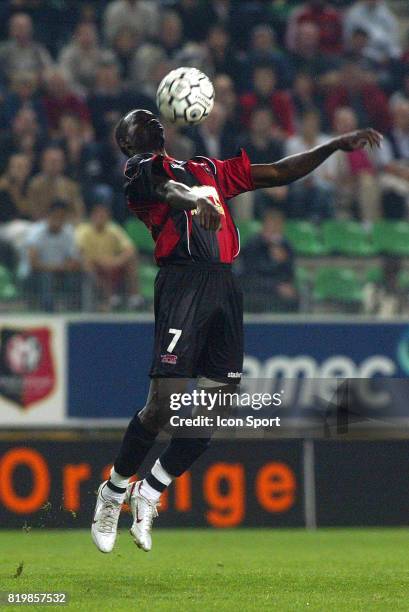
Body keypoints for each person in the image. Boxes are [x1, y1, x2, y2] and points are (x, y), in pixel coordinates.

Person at [91, 108, 381, 554]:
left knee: (218, 400)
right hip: (182, 283)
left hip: (224, 284)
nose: (149, 120)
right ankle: (112, 492)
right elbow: (170, 192)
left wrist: (333, 145)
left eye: (151, 117)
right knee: (164, 405)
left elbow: (279, 171)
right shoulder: (139, 170)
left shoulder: (207, 168)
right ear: (129, 142)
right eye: (137, 121)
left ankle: (150, 490)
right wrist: (199, 203)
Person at [75, 201, 142, 311]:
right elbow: (80, 252)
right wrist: (102, 262)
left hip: (113, 264)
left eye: (104, 215)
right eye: (99, 215)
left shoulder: (113, 228)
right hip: (94, 265)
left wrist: (117, 261)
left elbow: (130, 249)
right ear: (92, 216)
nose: (101, 218)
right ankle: (109, 298)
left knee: (131, 260)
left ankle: (134, 298)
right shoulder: (83, 230)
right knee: (88, 265)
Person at [25, 200, 81, 311]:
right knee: (47, 277)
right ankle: (48, 310)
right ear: (48, 215)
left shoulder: (68, 232)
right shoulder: (36, 232)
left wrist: (66, 266)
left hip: (61, 272)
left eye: (61, 217)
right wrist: (55, 267)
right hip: (36, 274)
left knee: (77, 275)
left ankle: (74, 309)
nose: (58, 220)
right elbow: (33, 263)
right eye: (55, 216)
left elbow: (74, 259)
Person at [239, 209, 298, 312]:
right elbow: (250, 274)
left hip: (278, 287)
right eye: (270, 227)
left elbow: (289, 273)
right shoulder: (253, 244)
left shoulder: (285, 246)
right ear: (264, 227)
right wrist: (276, 286)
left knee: (292, 297)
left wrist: (283, 262)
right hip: (256, 288)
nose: (273, 231)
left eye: (277, 227)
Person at [27, 146, 85, 222]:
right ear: (43, 163)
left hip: (66, 224)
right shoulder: (35, 185)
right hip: (42, 225)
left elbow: (78, 212)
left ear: (63, 164)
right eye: (50, 161)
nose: (54, 165)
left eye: (57, 161)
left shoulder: (71, 186)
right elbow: (33, 212)